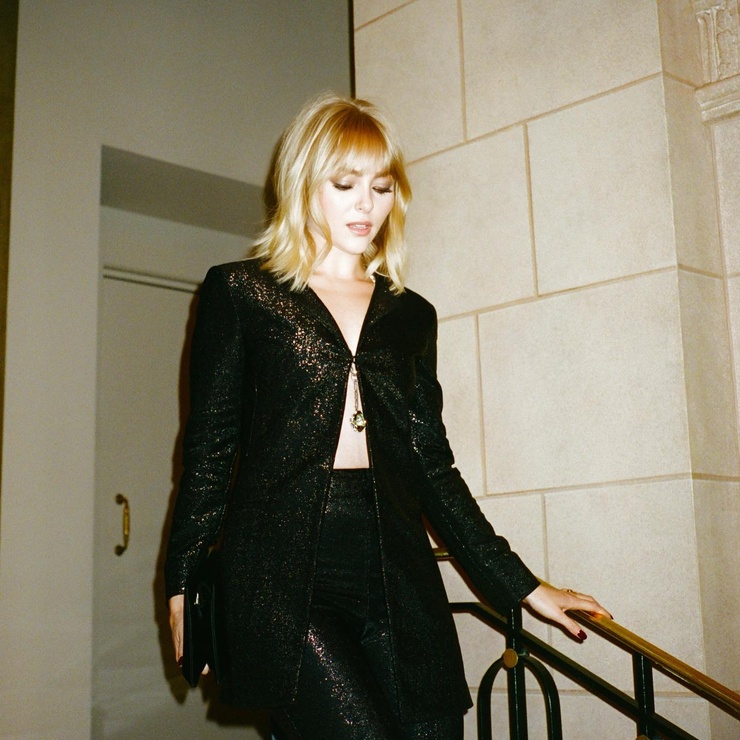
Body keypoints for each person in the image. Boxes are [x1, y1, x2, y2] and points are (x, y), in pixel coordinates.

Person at [165, 92, 610, 740]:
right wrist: (183, 583)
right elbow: (208, 452)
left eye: (380, 187)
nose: (365, 205)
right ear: (304, 183)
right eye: (345, 184)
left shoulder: (411, 315)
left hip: (399, 575)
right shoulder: (243, 294)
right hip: (285, 577)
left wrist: (524, 587)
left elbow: (433, 468)